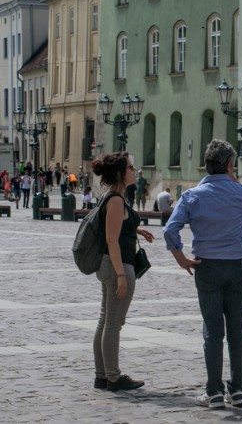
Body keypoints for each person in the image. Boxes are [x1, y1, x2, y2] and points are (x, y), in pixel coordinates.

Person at [164, 139, 242, 409]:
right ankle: (238, 390)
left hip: (206, 266)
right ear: (229, 165)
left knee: (212, 331)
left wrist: (181, 259)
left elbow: (170, 230)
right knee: (238, 330)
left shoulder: (193, 196)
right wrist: (231, 174)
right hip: (237, 266)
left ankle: (213, 392)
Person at [91, 152, 154, 392]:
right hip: (119, 265)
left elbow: (115, 228)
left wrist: (137, 231)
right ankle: (114, 377)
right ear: (119, 173)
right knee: (113, 323)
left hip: (110, 264)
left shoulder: (113, 197)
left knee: (106, 319)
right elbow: (110, 238)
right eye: (130, 166)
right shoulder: (116, 199)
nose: (134, 169)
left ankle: (102, 375)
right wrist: (120, 275)